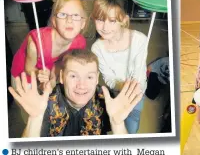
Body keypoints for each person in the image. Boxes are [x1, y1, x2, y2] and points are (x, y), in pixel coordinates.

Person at [7, 49, 143, 137]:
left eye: (89, 77)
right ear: (61, 77)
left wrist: (118, 124)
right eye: (73, 76)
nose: (81, 85)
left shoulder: (107, 102)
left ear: (96, 79)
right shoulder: (45, 104)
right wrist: (35, 119)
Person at [91, 0, 148, 134]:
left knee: (132, 126)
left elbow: (139, 74)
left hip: (136, 93)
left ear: (123, 19)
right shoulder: (97, 48)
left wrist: (131, 91)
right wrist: (121, 87)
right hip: (116, 92)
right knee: (115, 123)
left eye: (112, 20)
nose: (105, 27)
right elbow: (109, 78)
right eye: (99, 19)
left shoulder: (139, 40)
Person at [11, 0, 87, 90]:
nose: (69, 20)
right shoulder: (36, 42)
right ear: (54, 21)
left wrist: (52, 76)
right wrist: (39, 73)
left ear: (83, 23)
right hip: (25, 73)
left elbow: (61, 62)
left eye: (76, 15)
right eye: (63, 14)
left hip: (49, 69)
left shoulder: (80, 43)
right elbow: (28, 68)